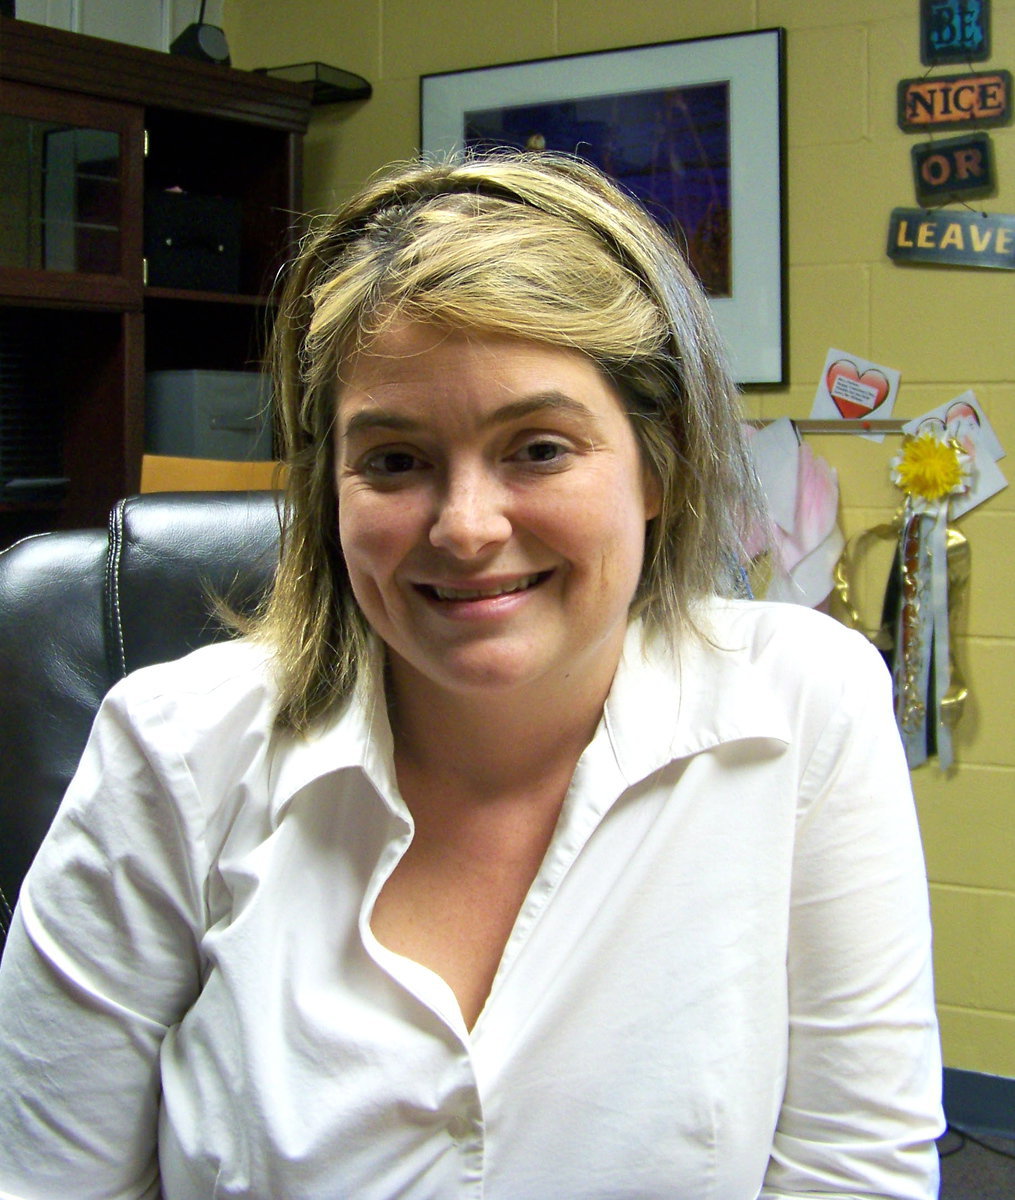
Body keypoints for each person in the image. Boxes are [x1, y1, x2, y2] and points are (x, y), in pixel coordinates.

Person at [0, 152, 943, 1198]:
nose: (464, 527)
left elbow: (852, 1172)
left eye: (538, 448)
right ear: (329, 486)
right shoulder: (175, 750)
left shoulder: (804, 709)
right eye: (394, 461)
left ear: (660, 461)